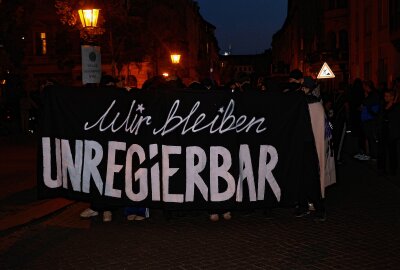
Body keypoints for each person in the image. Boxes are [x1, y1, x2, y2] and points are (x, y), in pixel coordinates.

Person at [377, 89, 400, 176]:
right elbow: (380, 117)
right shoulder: (383, 105)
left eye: (387, 96)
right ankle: (382, 168)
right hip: (383, 131)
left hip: (392, 132)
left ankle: (393, 168)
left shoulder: (396, 107)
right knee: (382, 150)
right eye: (385, 96)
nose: (385, 98)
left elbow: (395, 120)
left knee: (392, 151)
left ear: (392, 97)